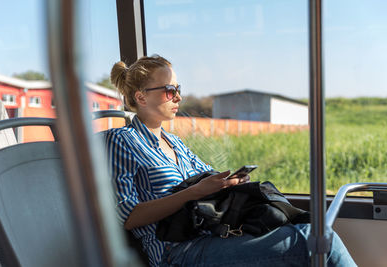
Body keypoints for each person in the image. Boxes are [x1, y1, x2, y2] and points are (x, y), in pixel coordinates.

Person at [106, 55, 356, 267]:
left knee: (308, 228)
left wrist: (228, 181)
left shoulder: (176, 143)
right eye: (170, 91)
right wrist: (191, 193)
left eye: (178, 90)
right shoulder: (122, 140)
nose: (178, 98)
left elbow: (208, 178)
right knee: (314, 239)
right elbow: (128, 216)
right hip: (176, 251)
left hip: (213, 233)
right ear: (141, 98)